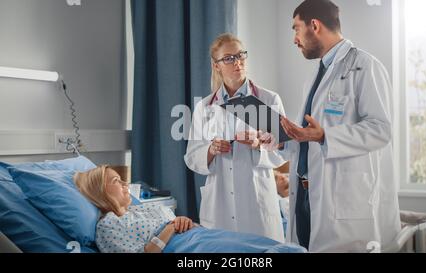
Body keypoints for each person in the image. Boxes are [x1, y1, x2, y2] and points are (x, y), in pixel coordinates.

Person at [279, 0, 401, 252]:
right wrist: (285, 138)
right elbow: (310, 139)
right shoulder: (317, 75)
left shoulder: (365, 67)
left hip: (343, 199)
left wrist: (325, 136)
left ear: (314, 25)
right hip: (306, 196)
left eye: (296, 29)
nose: (294, 39)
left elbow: (381, 129)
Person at [184, 33, 287, 242]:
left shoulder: (267, 99)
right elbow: (192, 156)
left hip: (257, 203)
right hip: (218, 206)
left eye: (240, 56)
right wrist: (210, 150)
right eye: (228, 58)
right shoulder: (204, 107)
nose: (237, 62)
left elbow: (283, 150)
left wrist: (259, 144)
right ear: (216, 65)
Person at [74, 166, 306, 253]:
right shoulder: (108, 226)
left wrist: (181, 220)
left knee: (248, 243)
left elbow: (175, 222)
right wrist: (172, 227)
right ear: (100, 191)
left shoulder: (138, 210)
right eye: (116, 181)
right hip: (181, 247)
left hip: (197, 234)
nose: (125, 184)